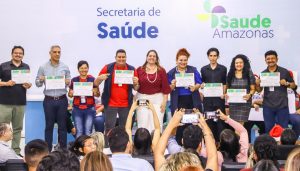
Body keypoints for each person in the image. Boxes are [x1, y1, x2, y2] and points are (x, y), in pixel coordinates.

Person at [94, 49, 139, 136]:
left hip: (126, 104)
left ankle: (123, 148)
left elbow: (136, 88)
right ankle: (107, 148)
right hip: (110, 103)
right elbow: (95, 83)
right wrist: (100, 78)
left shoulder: (132, 69)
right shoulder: (108, 67)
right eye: (119, 57)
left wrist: (136, 83)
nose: (121, 59)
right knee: (109, 128)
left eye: (123, 57)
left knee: (124, 129)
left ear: (126, 58)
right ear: (115, 58)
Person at [35, 45, 71, 151]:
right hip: (49, 100)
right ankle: (47, 150)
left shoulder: (65, 66)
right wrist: (41, 80)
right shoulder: (43, 67)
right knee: (49, 126)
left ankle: (62, 150)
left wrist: (67, 81)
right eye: (55, 52)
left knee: (62, 127)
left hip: (62, 100)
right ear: (50, 53)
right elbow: (37, 83)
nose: (57, 54)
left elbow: (69, 81)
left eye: (59, 52)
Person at [0, 46, 32, 155]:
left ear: (23, 55)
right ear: (12, 54)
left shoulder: (26, 66)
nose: (18, 55)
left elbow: (27, 83)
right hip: (4, 103)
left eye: (20, 53)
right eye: (16, 53)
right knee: (3, 128)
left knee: (18, 128)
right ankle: (2, 151)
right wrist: (6, 83)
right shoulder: (3, 66)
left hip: (20, 102)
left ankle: (15, 152)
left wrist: (29, 85)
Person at [256, 50, 296, 133]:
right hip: (268, 106)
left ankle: (282, 146)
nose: (270, 60)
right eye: (268, 59)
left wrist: (287, 83)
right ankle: (270, 146)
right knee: (269, 129)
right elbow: (259, 90)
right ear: (265, 60)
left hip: (282, 105)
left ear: (277, 59)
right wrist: (257, 84)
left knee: (283, 129)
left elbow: (294, 86)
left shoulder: (284, 71)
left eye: (272, 58)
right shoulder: (263, 73)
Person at [167, 48, 202, 144]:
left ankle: (194, 144)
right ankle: (179, 143)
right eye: (180, 60)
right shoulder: (171, 73)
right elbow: (168, 88)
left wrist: (195, 87)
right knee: (180, 123)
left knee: (193, 121)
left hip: (192, 99)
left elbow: (199, 82)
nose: (183, 62)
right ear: (176, 60)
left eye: (185, 60)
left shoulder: (193, 70)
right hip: (178, 100)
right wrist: (172, 85)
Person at [136, 50, 171, 132]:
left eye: (154, 56)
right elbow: (136, 87)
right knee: (143, 121)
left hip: (158, 99)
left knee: (157, 122)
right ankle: (142, 142)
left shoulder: (161, 70)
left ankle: (157, 142)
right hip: (142, 98)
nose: (152, 57)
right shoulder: (139, 70)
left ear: (156, 58)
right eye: (150, 55)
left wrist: (164, 102)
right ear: (147, 57)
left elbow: (165, 88)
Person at [200, 47, 227, 142]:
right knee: (209, 122)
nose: (213, 58)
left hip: (219, 100)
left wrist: (224, 94)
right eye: (211, 56)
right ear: (208, 57)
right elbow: (202, 83)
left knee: (220, 123)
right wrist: (202, 86)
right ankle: (210, 142)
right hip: (207, 101)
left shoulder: (223, 69)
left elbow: (224, 83)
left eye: (215, 56)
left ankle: (221, 144)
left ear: (218, 56)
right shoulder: (203, 69)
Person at [69, 60, 99, 138]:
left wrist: (95, 92)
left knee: (88, 131)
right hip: (77, 109)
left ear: (88, 69)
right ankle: (78, 149)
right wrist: (71, 93)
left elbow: (98, 94)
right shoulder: (74, 80)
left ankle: (88, 149)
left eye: (85, 68)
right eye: (81, 68)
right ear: (78, 69)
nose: (83, 70)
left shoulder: (92, 79)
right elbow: (70, 94)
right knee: (79, 131)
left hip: (90, 108)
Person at [226, 54, 256, 124]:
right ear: (234, 64)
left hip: (244, 103)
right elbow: (227, 89)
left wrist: (250, 95)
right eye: (236, 63)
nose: (238, 64)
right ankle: (239, 135)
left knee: (240, 125)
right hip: (233, 104)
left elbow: (253, 89)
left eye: (240, 62)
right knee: (235, 125)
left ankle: (239, 135)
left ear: (244, 63)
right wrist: (226, 95)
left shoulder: (249, 73)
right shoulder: (230, 74)